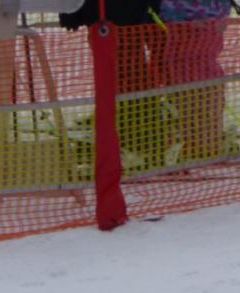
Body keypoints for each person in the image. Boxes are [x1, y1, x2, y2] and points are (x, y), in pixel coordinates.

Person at [61, 0, 169, 169]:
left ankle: (136, 142)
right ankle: (131, 139)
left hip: (117, 17)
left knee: (128, 78)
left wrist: (70, 14)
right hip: (111, 17)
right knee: (122, 78)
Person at [159, 0, 233, 162]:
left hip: (186, 16)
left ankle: (201, 143)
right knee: (199, 72)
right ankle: (207, 140)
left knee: (187, 74)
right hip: (207, 15)